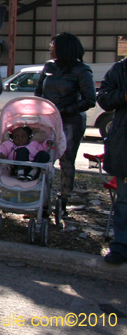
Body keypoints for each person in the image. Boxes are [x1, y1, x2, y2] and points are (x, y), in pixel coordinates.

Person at [34, 32, 95, 218]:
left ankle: (63, 200)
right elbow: (38, 91)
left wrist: (66, 110)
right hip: (47, 120)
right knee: (43, 158)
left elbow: (90, 99)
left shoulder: (81, 70)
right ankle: (42, 201)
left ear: (63, 48)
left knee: (67, 160)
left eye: (52, 46)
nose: (50, 49)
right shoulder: (49, 66)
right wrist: (41, 109)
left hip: (70, 122)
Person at [97, 57, 127, 265]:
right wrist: (124, 95)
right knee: (124, 201)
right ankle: (121, 247)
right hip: (124, 144)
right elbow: (104, 98)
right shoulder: (120, 69)